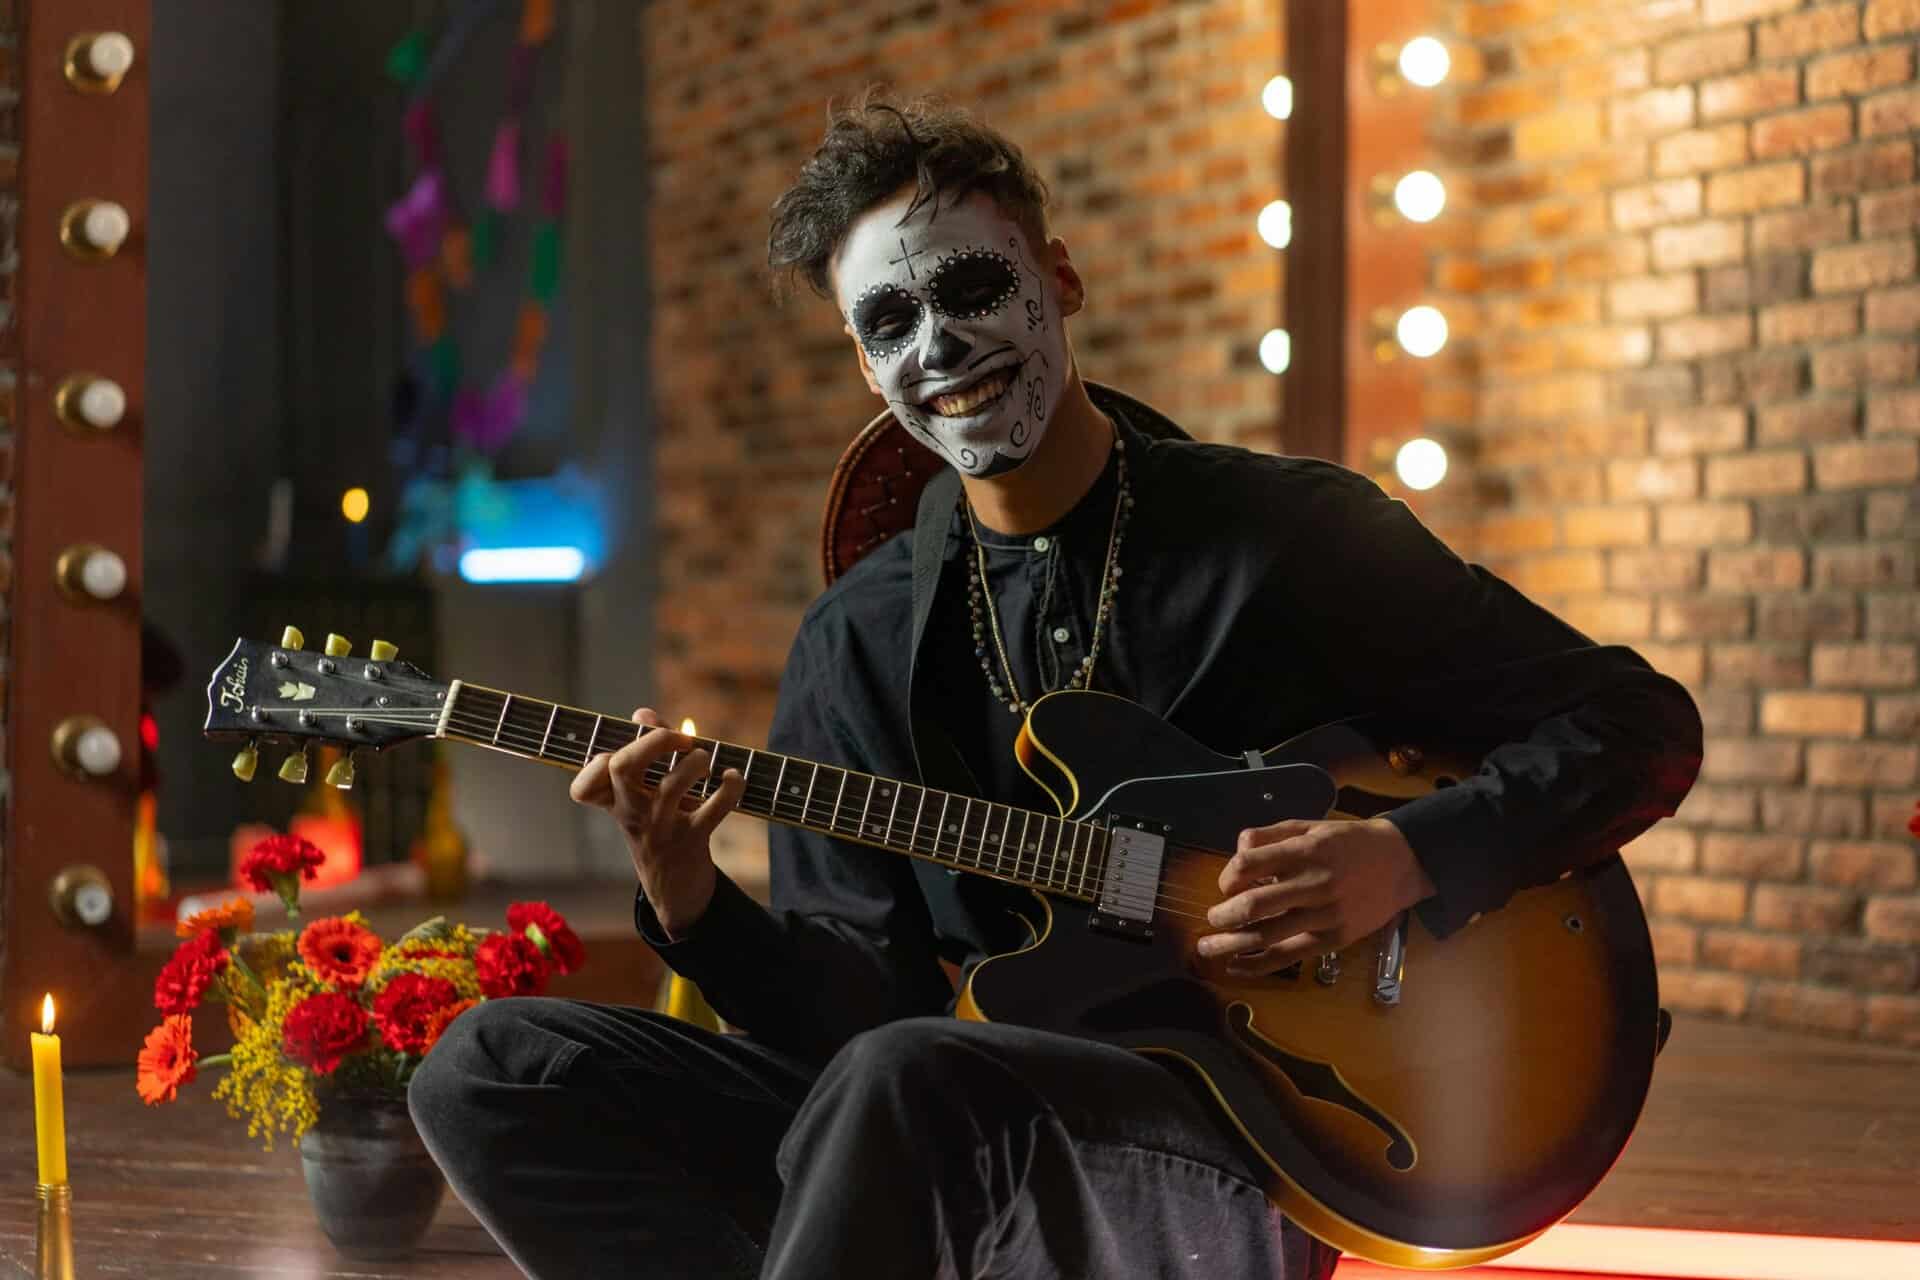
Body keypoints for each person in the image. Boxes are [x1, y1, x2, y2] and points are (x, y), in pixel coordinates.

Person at [409, 93, 1703, 1279]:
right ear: (866, 370)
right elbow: (845, 1021)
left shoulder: (1285, 542)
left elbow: (1638, 728)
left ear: (1058, 279)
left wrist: (1402, 858)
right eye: (890, 323)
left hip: (1232, 1153)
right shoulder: (856, 644)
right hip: (933, 1134)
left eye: (973, 287)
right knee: (491, 1067)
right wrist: (688, 898)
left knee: (901, 1081)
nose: (941, 344)